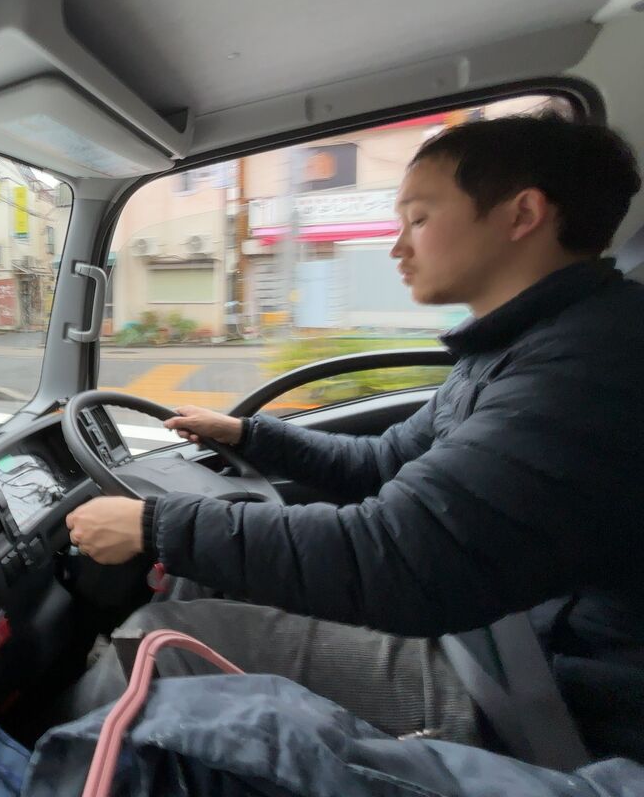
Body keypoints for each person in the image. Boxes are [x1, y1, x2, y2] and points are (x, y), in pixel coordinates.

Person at [65, 115, 644, 760]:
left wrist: (155, 526)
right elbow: (383, 462)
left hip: (545, 693)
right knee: (203, 583)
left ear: (522, 214)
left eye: (419, 219)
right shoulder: (519, 345)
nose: (398, 246)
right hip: (506, 631)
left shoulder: (589, 363)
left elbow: (401, 557)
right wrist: (249, 434)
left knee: (150, 643)